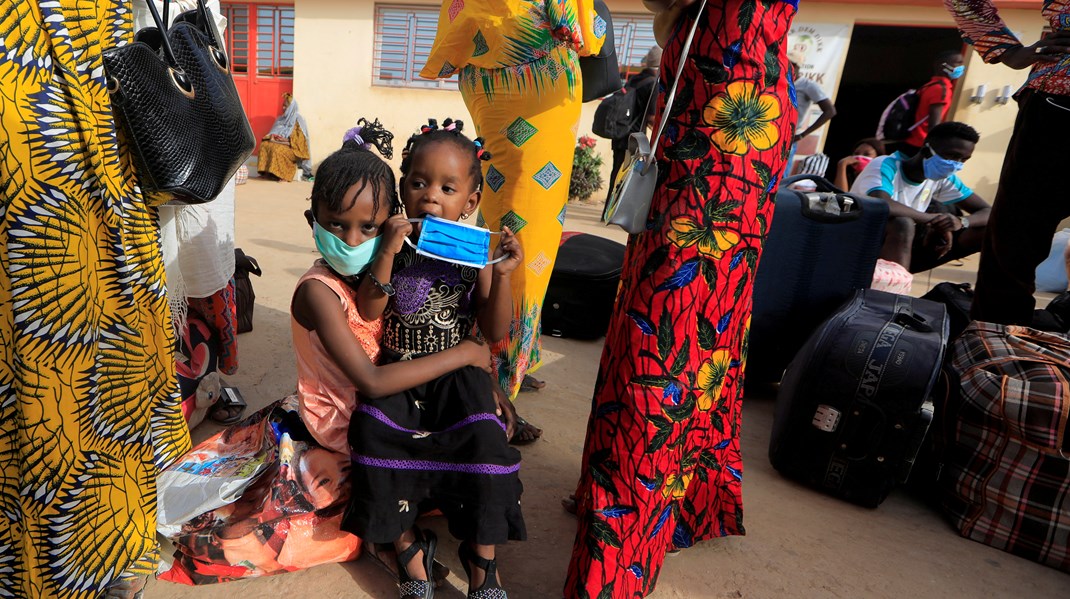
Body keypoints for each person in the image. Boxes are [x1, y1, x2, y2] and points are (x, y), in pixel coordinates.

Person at [564, 0, 797, 596]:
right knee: (659, 326)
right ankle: (645, 503)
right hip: (696, 107)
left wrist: (1003, 46)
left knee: (672, 342)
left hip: (732, 132)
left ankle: (615, 568)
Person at [0, 2, 195, 597]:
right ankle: (64, 558)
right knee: (42, 359)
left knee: (109, 351)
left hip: (100, 121)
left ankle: (111, 553)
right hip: (32, 139)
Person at [341, 119, 527, 599]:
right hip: (400, 370)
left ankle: (482, 559)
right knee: (373, 435)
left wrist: (503, 274)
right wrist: (386, 251)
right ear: (403, 189)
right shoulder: (390, 242)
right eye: (419, 183)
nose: (430, 196)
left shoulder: (476, 250)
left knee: (485, 442)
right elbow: (368, 308)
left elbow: (493, 331)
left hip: (458, 376)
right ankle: (409, 549)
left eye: (447, 188)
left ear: (470, 201)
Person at [420, 0, 606, 444]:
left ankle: (520, 354)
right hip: (535, 68)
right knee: (529, 234)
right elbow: (578, 26)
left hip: (489, 69)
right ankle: (499, 389)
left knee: (504, 215)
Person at [944, 0, 1070, 326]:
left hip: (1056, 107)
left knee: (1014, 242)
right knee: (1015, 245)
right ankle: (995, 354)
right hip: (1060, 107)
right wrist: (1005, 49)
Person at [850, 122, 991, 273]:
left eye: (964, 159)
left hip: (899, 247)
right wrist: (933, 220)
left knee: (985, 230)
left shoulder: (944, 179)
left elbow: (988, 211)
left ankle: (899, 278)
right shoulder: (885, 164)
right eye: (952, 156)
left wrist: (960, 222)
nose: (956, 164)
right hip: (857, 244)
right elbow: (883, 203)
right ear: (926, 150)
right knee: (903, 223)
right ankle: (890, 292)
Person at [606, 46, 662, 202]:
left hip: (619, 131)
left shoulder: (633, 80)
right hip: (635, 136)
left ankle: (607, 210)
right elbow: (651, 117)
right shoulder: (652, 84)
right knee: (629, 173)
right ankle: (618, 210)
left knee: (616, 171)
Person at [894, 50, 964, 156]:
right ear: (943, 66)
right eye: (958, 63)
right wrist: (933, 149)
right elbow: (934, 124)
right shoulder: (940, 89)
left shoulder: (929, 85)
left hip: (911, 140)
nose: (961, 66)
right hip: (920, 144)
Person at [784, 52, 837, 176]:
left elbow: (830, 111)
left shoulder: (807, 85)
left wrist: (803, 134)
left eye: (790, 64)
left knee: (780, 178)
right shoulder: (777, 81)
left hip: (789, 137)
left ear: (797, 66)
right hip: (770, 132)